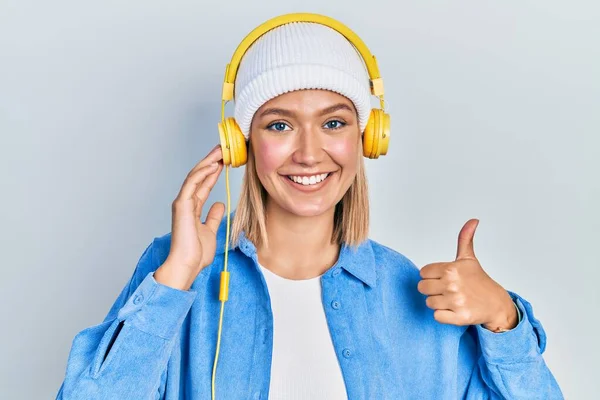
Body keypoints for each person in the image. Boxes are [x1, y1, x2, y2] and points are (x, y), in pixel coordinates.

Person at [55, 14, 563, 400]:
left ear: (368, 138)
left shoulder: (411, 292)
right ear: (242, 142)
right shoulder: (178, 270)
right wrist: (174, 281)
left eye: (335, 123)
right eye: (279, 125)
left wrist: (504, 319)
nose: (308, 152)